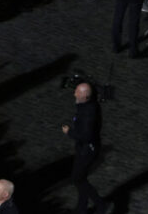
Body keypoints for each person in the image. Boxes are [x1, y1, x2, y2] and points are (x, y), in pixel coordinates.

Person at [61, 82, 108, 214]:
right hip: (84, 149)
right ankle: (82, 209)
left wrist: (69, 132)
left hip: (86, 151)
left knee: (78, 179)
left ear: (85, 96)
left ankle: (100, 203)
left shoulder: (88, 113)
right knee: (80, 178)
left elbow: (86, 136)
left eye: (77, 92)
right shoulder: (87, 104)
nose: (74, 94)